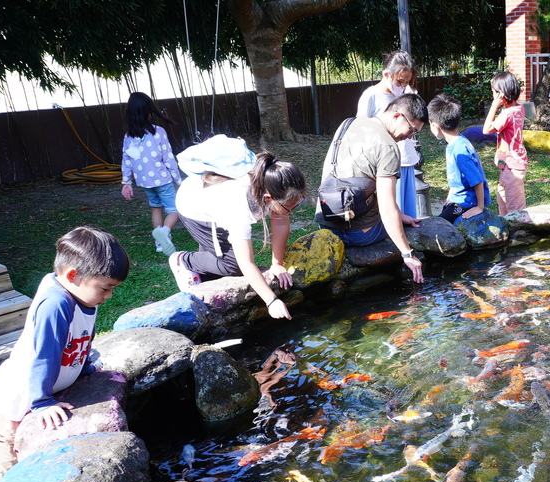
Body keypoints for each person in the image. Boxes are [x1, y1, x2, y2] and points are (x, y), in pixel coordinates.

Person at [0, 227, 128, 482]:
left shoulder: (80, 291)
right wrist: (42, 401)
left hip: (36, 395)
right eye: (105, 288)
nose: (109, 296)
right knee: (2, 470)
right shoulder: (56, 304)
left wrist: (84, 367)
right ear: (72, 275)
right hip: (12, 402)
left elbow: (81, 338)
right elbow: (42, 354)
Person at [171, 135, 304, 320]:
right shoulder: (237, 206)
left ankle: (205, 275)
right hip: (193, 208)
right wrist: (271, 300)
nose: (291, 210)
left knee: (218, 256)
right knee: (232, 264)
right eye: (289, 206)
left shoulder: (271, 182)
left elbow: (280, 219)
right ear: (268, 198)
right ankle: (183, 261)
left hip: (212, 203)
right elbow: (246, 262)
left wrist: (276, 265)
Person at [317, 94, 427, 283]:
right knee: (398, 228)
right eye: (411, 130)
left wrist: (400, 215)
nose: (409, 137)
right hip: (359, 234)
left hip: (326, 224)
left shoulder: (349, 123)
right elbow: (386, 207)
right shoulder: (388, 147)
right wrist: (407, 254)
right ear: (397, 116)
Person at [356, 50, 420, 219]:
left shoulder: (408, 94)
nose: (402, 86)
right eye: (400, 82)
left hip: (406, 162)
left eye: (406, 82)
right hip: (383, 166)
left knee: (408, 215)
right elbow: (360, 132)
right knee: (390, 213)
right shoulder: (371, 96)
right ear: (386, 74)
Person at [120, 92, 181, 256]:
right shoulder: (158, 131)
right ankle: (165, 231)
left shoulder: (128, 136)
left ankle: (159, 242)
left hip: (144, 181)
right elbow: (168, 157)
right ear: (148, 111)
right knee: (174, 209)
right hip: (162, 179)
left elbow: (126, 160)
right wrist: (178, 179)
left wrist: (126, 182)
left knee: (156, 207)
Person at [427, 94, 490, 224]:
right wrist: (451, 195)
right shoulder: (454, 141)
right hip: (458, 198)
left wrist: (479, 207)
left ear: (435, 126)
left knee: (440, 224)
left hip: (467, 202)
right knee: (442, 215)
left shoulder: (460, 150)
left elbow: (477, 180)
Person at [482, 70, 527, 214]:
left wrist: (494, 105)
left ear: (502, 94)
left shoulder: (507, 113)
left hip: (513, 166)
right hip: (510, 163)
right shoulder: (518, 108)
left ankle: (519, 234)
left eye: (495, 92)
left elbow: (486, 129)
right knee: (502, 200)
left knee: (515, 210)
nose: (493, 95)